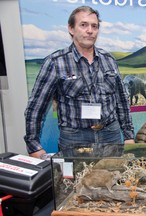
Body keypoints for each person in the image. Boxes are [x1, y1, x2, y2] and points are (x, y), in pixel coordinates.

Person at [24, 6, 135, 158]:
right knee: (74, 181)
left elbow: (122, 102)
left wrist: (128, 136)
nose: (90, 30)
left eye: (94, 26)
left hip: (110, 135)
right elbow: (36, 107)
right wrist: (34, 146)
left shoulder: (108, 60)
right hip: (74, 138)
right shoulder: (55, 62)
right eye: (83, 25)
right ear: (71, 29)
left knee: (113, 177)